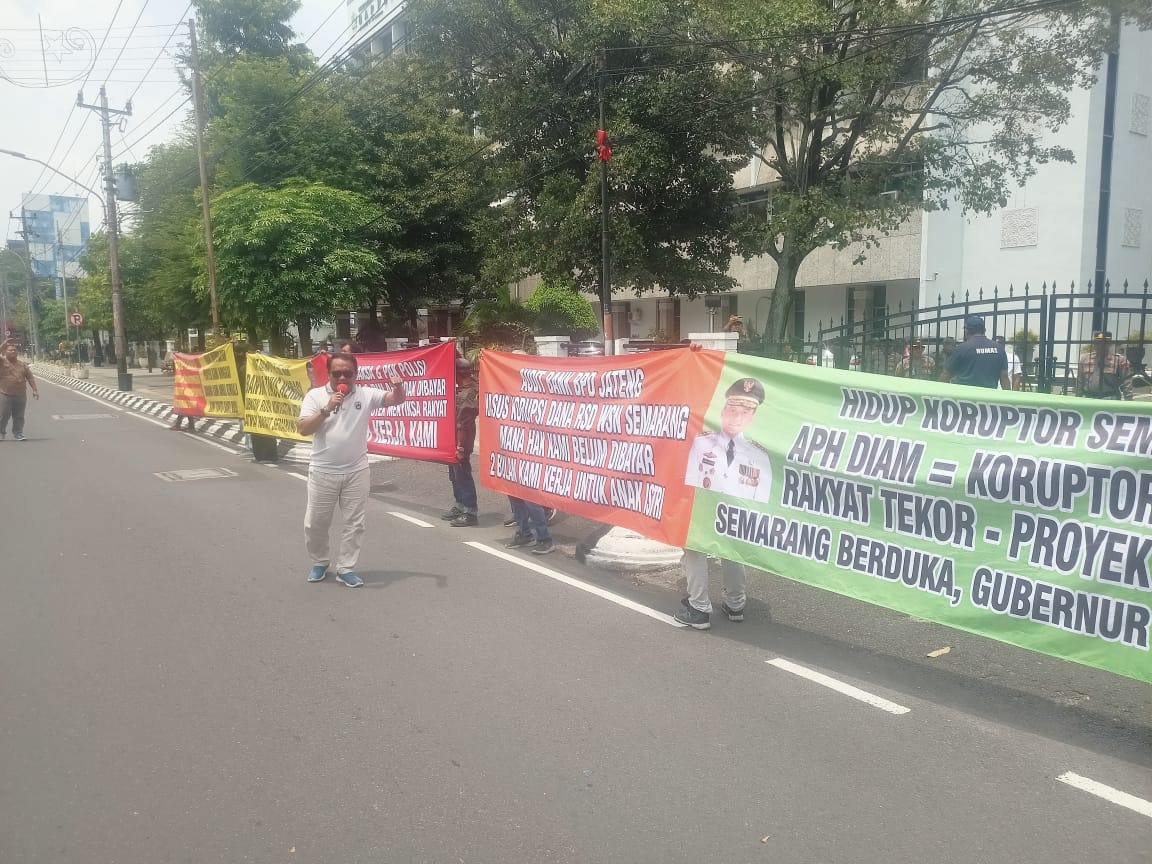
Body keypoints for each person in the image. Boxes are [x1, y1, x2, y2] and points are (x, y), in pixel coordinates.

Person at [297, 352, 406, 587]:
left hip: (356, 470)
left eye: (348, 373)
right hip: (323, 471)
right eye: (337, 373)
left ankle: (346, 568)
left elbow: (396, 400)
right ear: (329, 374)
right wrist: (326, 409)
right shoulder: (315, 396)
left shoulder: (365, 395)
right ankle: (320, 561)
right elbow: (303, 429)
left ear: (356, 374)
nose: (343, 377)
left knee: (355, 523)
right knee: (315, 523)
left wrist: (399, 389)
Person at [684, 377, 773, 502]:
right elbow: (688, 488)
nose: (737, 417)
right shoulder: (701, 443)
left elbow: (761, 502)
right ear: (723, 411)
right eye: (732, 410)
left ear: (752, 418)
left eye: (745, 413)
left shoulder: (760, 456)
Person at [442, 357, 479, 527]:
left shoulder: (468, 394)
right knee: (454, 474)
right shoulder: (461, 389)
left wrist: (461, 447)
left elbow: (463, 424)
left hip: (462, 441)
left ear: (459, 372)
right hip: (453, 439)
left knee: (462, 473)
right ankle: (459, 505)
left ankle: (470, 511)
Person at [941, 316, 1011, 390]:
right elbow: (1004, 378)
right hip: (989, 396)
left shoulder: (961, 348)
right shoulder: (999, 348)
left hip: (966, 396)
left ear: (967, 331)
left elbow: (946, 375)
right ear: (984, 330)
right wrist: (1009, 399)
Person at [0, 338, 39, 441]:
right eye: (10, 350)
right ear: (5, 351)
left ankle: (18, 433)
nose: (13, 351)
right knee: (3, 415)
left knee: (19, 416)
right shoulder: (2, 362)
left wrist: (35, 390)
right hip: (5, 394)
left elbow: (30, 377)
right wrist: (3, 345)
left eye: (14, 350)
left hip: (20, 395)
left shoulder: (22, 364)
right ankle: (1, 432)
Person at [1077, 330, 1133, 401]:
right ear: (1094, 344)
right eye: (1097, 342)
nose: (1100, 345)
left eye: (1104, 343)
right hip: (1088, 398)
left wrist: (1128, 402)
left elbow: (1127, 382)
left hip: (1109, 398)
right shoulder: (1085, 359)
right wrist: (1077, 398)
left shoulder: (1119, 360)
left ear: (1109, 344)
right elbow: (1080, 382)